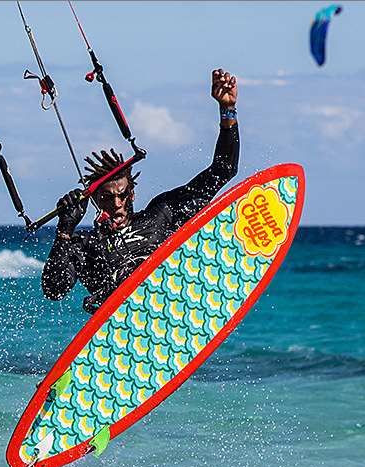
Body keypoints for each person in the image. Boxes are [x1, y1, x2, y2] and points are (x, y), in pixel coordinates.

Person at [41, 69, 240, 314]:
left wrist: (227, 110)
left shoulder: (162, 214)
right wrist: (64, 230)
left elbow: (223, 171)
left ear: (132, 194)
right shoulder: (86, 245)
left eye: (122, 195)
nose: (116, 204)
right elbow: (54, 290)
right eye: (107, 198)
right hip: (127, 333)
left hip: (171, 312)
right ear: (94, 199)